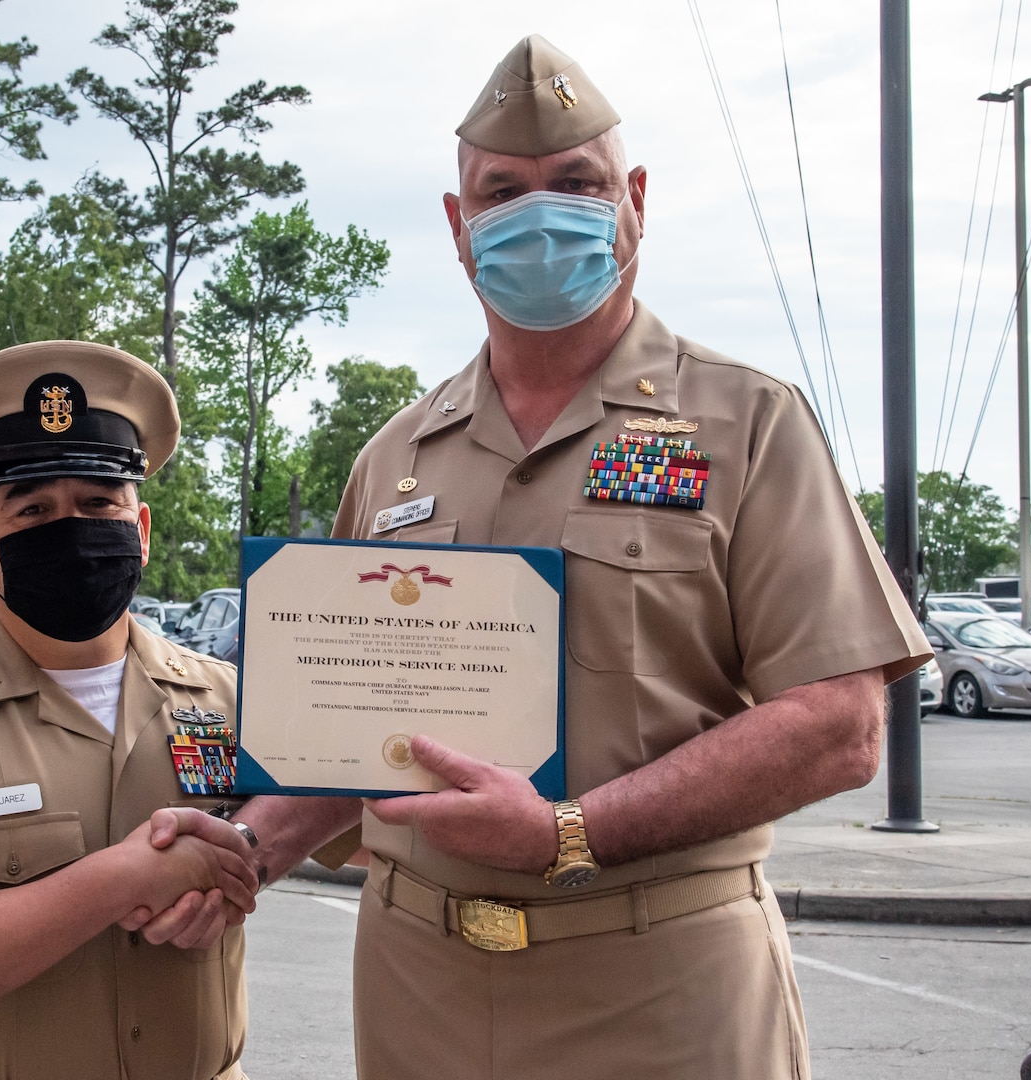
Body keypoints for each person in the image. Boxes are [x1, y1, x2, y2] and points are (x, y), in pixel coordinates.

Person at [147, 32, 933, 1079]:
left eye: (575, 182)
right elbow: (353, 737)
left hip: (660, 983)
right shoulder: (394, 459)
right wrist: (243, 851)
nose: (539, 214)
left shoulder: (745, 425)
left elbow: (837, 727)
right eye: (502, 192)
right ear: (457, 225)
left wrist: (569, 832)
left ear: (633, 200)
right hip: (416, 985)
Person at [0, 340, 262, 1080]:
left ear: (143, 530)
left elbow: (351, 816)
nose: (72, 527)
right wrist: (126, 877)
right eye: (33, 510)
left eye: (99, 503)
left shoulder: (227, 697)